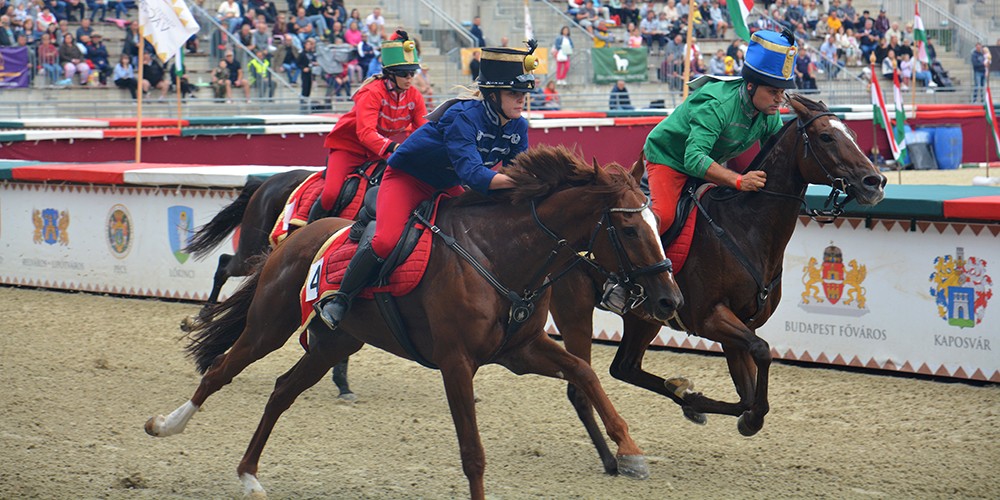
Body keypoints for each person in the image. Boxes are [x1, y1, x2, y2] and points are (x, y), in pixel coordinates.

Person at [313, 42, 537, 331]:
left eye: (524, 94)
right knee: (384, 241)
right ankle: (340, 299)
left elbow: (516, 171)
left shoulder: (518, 125)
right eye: (514, 93)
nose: (521, 100)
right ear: (493, 95)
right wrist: (528, 182)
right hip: (407, 180)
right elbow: (475, 176)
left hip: (445, 185)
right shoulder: (464, 117)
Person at [642, 29, 796, 234]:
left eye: (782, 92)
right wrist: (739, 181)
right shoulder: (717, 105)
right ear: (750, 86)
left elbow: (777, 156)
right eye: (773, 91)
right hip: (668, 159)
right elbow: (694, 159)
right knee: (665, 219)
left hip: (702, 165)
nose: (779, 99)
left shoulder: (770, 112)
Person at [307, 31, 429, 224]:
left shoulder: (414, 96)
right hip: (350, 149)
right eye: (404, 74)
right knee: (330, 194)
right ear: (391, 74)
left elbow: (424, 131)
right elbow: (365, 133)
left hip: (381, 153)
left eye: (412, 73)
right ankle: (305, 230)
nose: (409, 78)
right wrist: (394, 148)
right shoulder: (371, 92)